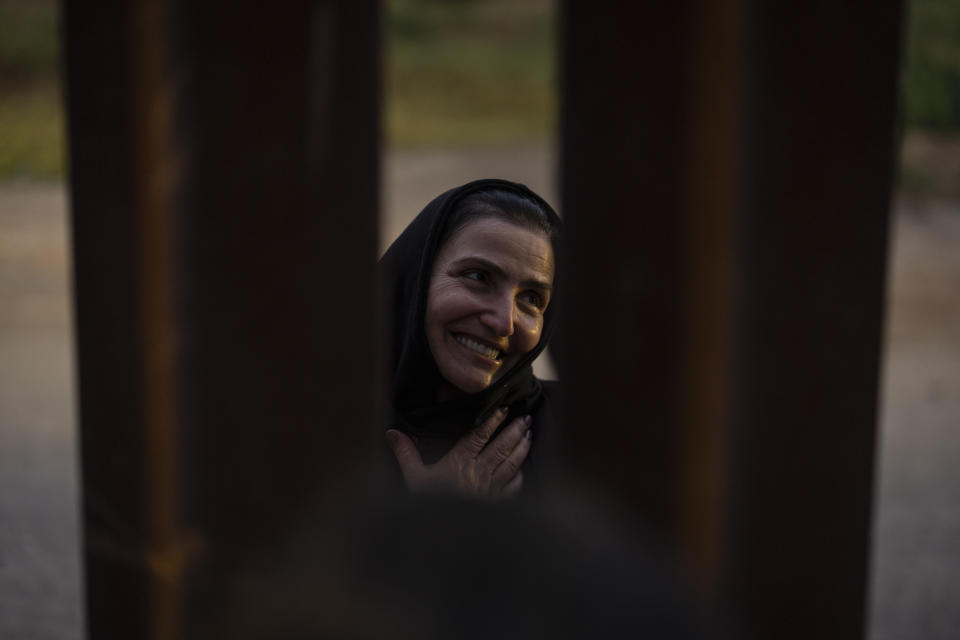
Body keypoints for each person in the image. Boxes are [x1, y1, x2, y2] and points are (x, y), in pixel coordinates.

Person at [379, 178, 562, 498]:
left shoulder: (585, 435)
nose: (505, 322)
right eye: (478, 277)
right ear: (415, 279)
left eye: (531, 299)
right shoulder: (318, 428)